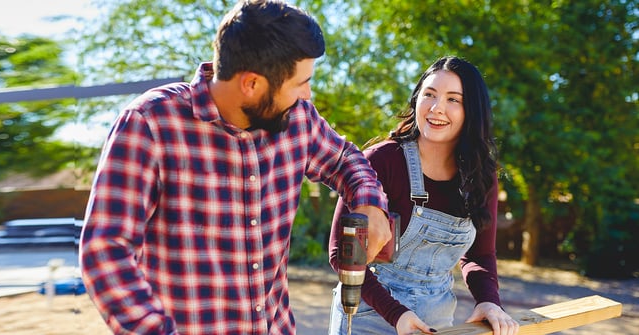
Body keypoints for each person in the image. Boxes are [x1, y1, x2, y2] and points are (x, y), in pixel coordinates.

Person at [79, 1, 392, 334]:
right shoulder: (150, 124)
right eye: (300, 83)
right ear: (252, 84)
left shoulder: (297, 119)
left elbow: (346, 159)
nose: (308, 94)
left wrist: (369, 202)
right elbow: (105, 251)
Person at [328, 56, 519, 335]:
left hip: (435, 319)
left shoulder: (481, 176)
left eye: (454, 99)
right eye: (429, 94)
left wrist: (489, 301)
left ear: (472, 111)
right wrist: (397, 314)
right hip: (369, 313)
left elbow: (480, 254)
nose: (437, 108)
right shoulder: (381, 161)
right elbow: (342, 254)